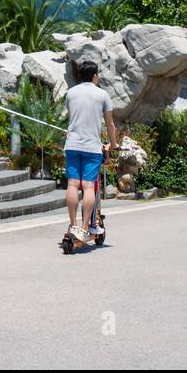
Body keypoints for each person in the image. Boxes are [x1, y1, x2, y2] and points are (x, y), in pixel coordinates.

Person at [63, 60, 116, 243]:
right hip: (92, 147)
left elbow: (74, 117)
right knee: (87, 186)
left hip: (72, 145)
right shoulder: (102, 94)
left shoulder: (71, 93)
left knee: (72, 184)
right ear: (95, 75)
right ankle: (85, 227)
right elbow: (109, 124)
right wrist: (113, 144)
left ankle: (72, 224)